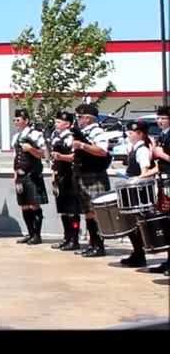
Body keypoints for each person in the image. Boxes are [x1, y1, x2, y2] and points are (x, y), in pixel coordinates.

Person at [71, 103, 112, 258]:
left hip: (95, 175)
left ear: (88, 118)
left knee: (96, 212)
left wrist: (82, 145)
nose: (78, 120)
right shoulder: (82, 132)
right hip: (82, 174)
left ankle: (99, 245)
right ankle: (93, 244)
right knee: (88, 212)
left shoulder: (97, 132)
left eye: (79, 117)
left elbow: (102, 151)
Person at [118, 119, 158, 268]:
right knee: (132, 224)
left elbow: (145, 172)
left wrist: (136, 178)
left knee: (136, 224)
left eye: (131, 132)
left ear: (140, 134)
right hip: (133, 191)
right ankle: (137, 253)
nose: (128, 135)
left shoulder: (142, 150)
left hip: (139, 192)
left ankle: (140, 254)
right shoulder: (135, 148)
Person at [10, 109, 49, 245]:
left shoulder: (36, 135)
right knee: (24, 205)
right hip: (20, 174)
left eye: (18, 120)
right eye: (14, 120)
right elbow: (15, 157)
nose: (16, 122)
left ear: (26, 120)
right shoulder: (15, 137)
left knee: (34, 204)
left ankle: (37, 235)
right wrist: (15, 174)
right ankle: (30, 233)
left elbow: (43, 154)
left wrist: (31, 149)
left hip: (32, 173)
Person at [48, 111, 82, 251]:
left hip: (70, 176)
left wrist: (61, 156)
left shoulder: (70, 137)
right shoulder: (55, 136)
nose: (56, 124)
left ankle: (74, 239)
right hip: (59, 175)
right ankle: (66, 237)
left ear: (67, 124)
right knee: (63, 210)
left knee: (72, 211)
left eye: (59, 122)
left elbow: (76, 156)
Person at [148, 106, 170, 275]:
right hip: (164, 181)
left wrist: (160, 153)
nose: (159, 121)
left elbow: (164, 156)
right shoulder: (162, 135)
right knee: (166, 222)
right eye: (159, 117)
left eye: (163, 118)